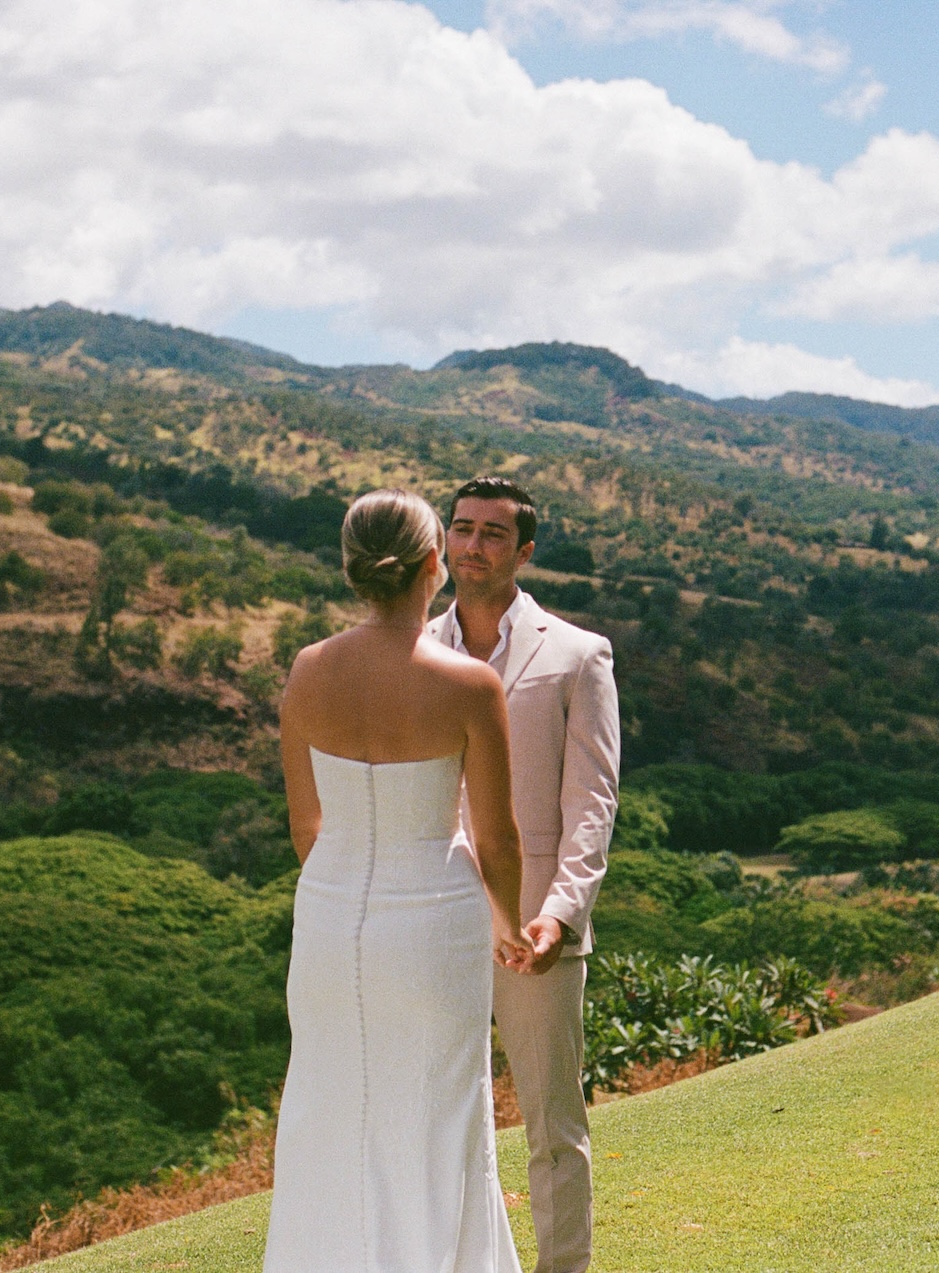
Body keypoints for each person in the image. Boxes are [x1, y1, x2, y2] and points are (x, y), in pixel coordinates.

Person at [264, 489, 531, 1273]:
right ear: (432, 566)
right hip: (434, 923)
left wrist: (350, 892)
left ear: (352, 570)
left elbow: (305, 827)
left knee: (329, 1107)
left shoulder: (309, 670)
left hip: (329, 917)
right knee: (440, 1112)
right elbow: (499, 839)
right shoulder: (469, 684)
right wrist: (510, 922)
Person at [428, 477, 619, 1273]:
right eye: (462, 529)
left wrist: (561, 913)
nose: (472, 545)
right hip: (432, 921)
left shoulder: (578, 653)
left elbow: (593, 802)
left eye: (493, 533)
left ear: (525, 549)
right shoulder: (411, 653)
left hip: (538, 926)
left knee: (551, 1122)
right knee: (435, 1119)